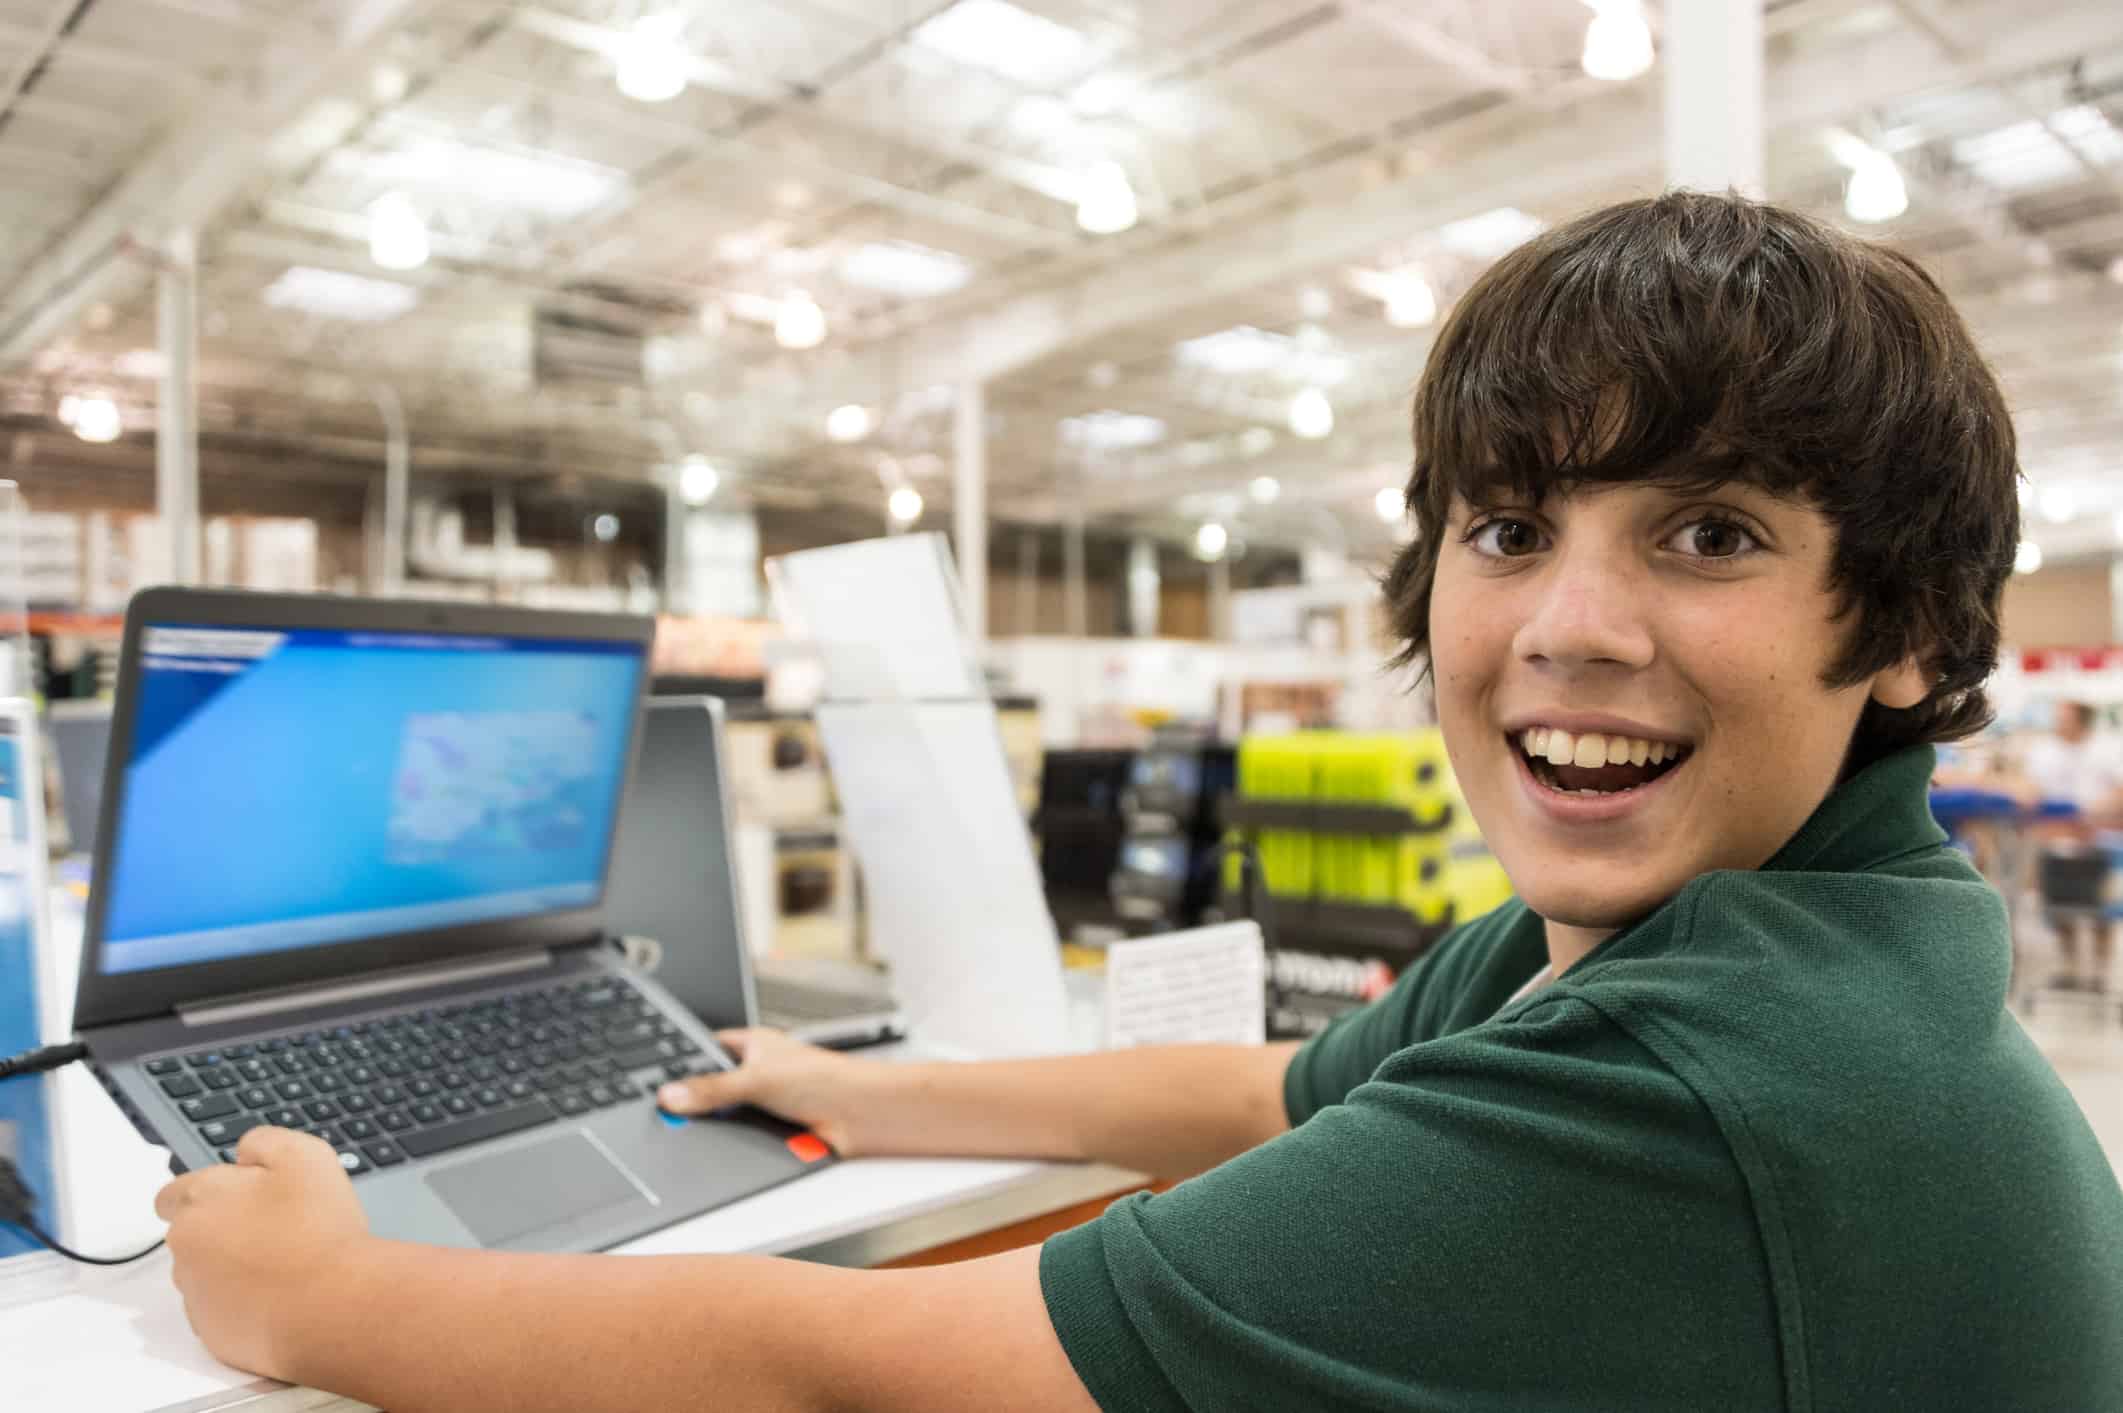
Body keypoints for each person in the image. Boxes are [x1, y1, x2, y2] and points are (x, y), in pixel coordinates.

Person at [152, 193, 2123, 1411]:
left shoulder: (1709, 1068)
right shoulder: (1750, 930)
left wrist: (316, 1292)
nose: (1568, 627)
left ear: (1903, 628)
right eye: (1507, 526)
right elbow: (1262, 1095)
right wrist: (852, 1087)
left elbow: (846, 1372)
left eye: (1704, 534)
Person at [2023, 699, 2123, 992]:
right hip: (2056, 840)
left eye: (2063, 717)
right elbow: (2032, 793)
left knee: (2101, 907)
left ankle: (2099, 972)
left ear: (2082, 720)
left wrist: (2091, 817)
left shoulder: (2109, 748)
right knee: (2059, 907)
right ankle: (2070, 967)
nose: (2057, 722)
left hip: (2103, 840)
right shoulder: (2043, 753)